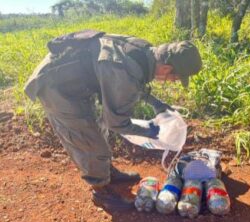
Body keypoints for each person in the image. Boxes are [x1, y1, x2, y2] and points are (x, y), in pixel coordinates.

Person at [24, 30, 202, 211]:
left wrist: (157, 104)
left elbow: (133, 81)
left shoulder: (146, 52)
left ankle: (107, 172)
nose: (172, 81)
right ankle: (101, 192)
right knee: (87, 139)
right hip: (55, 85)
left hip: (77, 80)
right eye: (175, 78)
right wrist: (149, 131)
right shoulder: (123, 69)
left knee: (99, 127)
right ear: (166, 68)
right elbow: (117, 122)